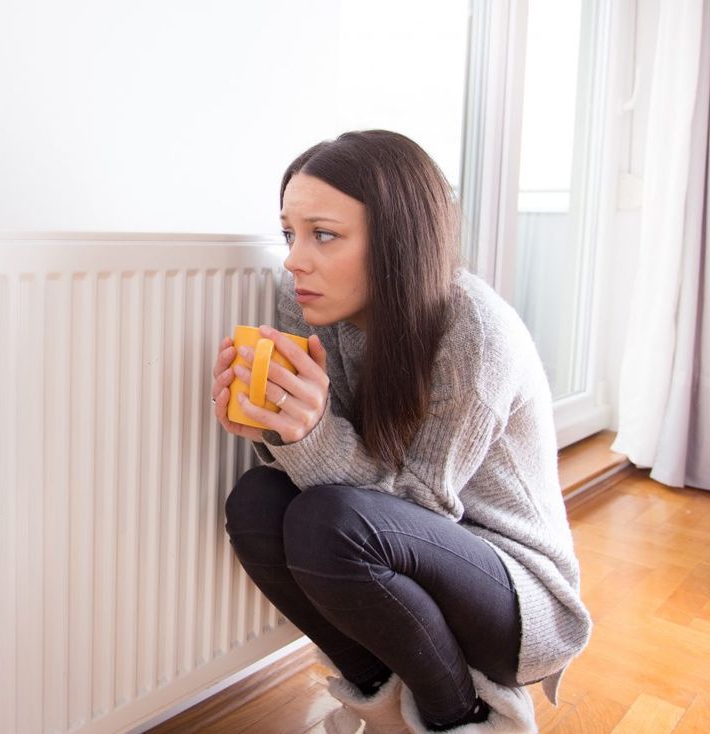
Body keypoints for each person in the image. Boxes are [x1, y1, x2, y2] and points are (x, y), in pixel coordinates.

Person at [210, 130, 591, 734]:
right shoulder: (304, 298)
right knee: (256, 502)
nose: (294, 257)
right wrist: (275, 430)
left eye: (323, 234)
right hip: (394, 552)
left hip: (515, 592)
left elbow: (419, 507)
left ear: (397, 240)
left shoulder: (475, 330)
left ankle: (459, 719)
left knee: (329, 522)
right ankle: (383, 707)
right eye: (290, 233)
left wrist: (307, 438)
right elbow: (339, 488)